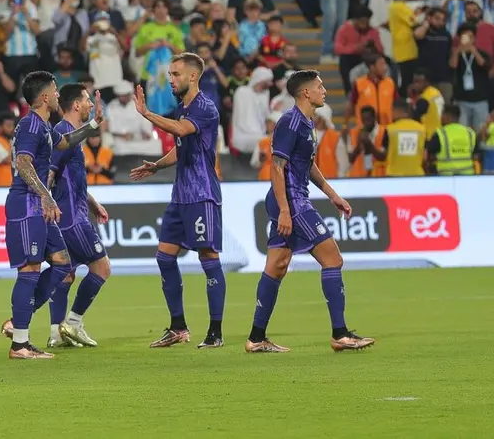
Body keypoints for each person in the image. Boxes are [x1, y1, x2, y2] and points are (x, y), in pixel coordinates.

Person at [246, 70, 374, 354]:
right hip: (291, 202)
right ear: (305, 92)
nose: (324, 90)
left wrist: (333, 195)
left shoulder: (306, 122)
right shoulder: (290, 122)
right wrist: (284, 210)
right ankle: (340, 334)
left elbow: (307, 165)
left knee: (276, 267)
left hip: (293, 199)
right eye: (319, 86)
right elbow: (276, 168)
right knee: (332, 258)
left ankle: (256, 338)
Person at [0, 71, 104, 359]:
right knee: (30, 270)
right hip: (26, 205)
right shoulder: (31, 126)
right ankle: (20, 343)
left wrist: (93, 124)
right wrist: (46, 196)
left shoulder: (44, 126)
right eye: (56, 91)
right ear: (45, 97)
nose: (59, 95)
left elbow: (64, 143)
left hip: (38, 206)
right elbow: (23, 163)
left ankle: (18, 322)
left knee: (61, 264)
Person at [129, 53, 225, 350]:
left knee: (208, 257)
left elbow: (181, 130)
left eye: (175, 74)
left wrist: (146, 114)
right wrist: (157, 165)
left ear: (193, 76)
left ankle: (215, 332)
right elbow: (181, 147)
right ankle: (178, 327)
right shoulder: (181, 107)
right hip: (180, 195)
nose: (170, 79)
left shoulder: (205, 107)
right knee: (164, 257)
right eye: (169, 74)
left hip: (202, 194)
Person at [38, 84, 112, 348]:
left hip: (74, 211)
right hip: (70, 217)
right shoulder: (62, 133)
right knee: (102, 268)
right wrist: (45, 202)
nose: (91, 104)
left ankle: (57, 334)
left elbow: (72, 178)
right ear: (76, 105)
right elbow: (50, 173)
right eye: (87, 100)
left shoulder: (72, 135)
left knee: (66, 274)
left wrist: (92, 203)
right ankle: (74, 323)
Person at [427, 104, 477, 176]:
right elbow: (476, 156)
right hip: (467, 177)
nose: (441, 118)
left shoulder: (440, 134)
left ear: (447, 117)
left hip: (446, 177)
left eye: (442, 115)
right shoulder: (470, 133)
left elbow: (430, 156)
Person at [382, 99, 426, 177]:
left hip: (394, 175)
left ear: (396, 111)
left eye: (392, 111)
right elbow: (425, 156)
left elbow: (383, 155)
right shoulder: (421, 129)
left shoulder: (390, 130)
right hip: (417, 175)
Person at [347, 105, 387, 178]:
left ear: (374, 118)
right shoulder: (354, 132)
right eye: (363, 120)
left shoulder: (384, 132)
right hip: (359, 177)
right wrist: (359, 145)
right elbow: (350, 159)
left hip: (379, 177)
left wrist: (369, 144)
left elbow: (383, 157)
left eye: (368, 119)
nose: (365, 123)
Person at [410, 71, 444, 140]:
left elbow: (414, 119)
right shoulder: (436, 92)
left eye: (418, 82)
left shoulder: (424, 99)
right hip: (439, 132)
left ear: (427, 82)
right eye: (414, 82)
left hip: (428, 135)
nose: (415, 85)